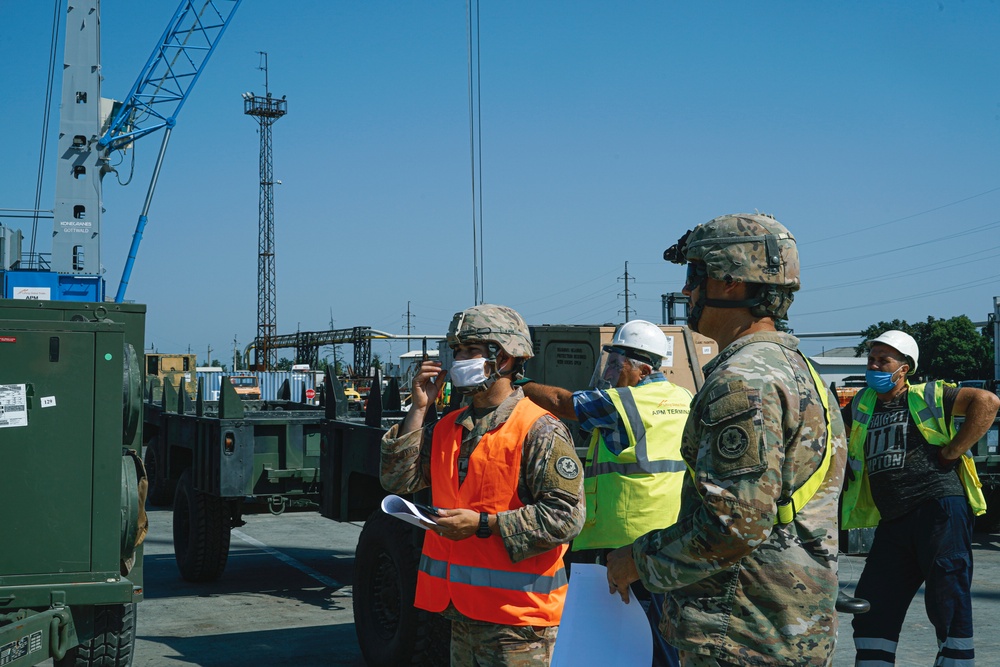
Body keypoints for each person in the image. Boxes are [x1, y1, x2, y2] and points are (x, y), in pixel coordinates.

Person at [606, 213, 847, 667]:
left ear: (731, 283)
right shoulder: (800, 371)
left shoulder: (741, 382)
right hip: (786, 626)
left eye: (695, 276)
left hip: (738, 631)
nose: (686, 292)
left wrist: (637, 559)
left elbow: (734, 527)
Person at [380, 303, 585, 666]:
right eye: (456, 351)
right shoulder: (448, 426)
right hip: (462, 616)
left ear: (504, 358)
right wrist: (418, 409)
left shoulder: (539, 429)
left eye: (470, 351)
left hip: (521, 623)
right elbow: (398, 479)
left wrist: (482, 525)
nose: (458, 360)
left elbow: (566, 518)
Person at [519, 319, 691, 667]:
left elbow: (562, 402)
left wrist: (520, 384)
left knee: (615, 645)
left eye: (617, 363)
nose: (610, 372)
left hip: (621, 544)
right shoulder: (684, 397)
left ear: (642, 368)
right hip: (670, 540)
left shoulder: (627, 403)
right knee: (665, 642)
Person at [842, 330, 999, 667]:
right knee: (874, 601)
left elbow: (987, 402)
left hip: (939, 508)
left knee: (948, 598)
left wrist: (953, 450)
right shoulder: (860, 403)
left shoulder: (928, 394)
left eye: (883, 360)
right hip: (894, 518)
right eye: (871, 359)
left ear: (905, 368)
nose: (874, 366)